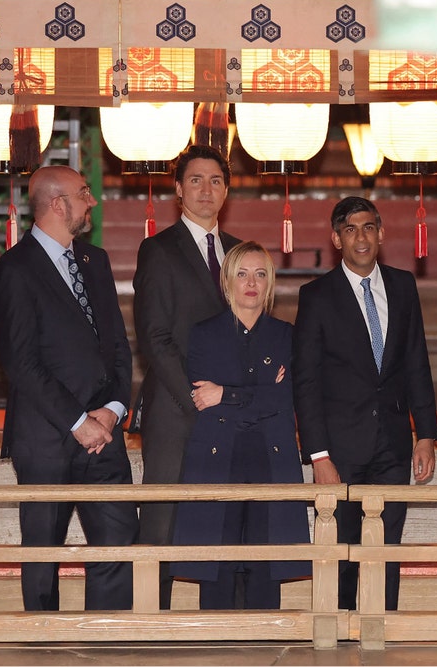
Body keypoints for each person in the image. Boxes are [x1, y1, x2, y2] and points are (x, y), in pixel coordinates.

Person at [0, 165, 138, 611]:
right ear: (58, 204)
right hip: (48, 437)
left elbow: (117, 346)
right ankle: (43, 645)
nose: (91, 201)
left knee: (118, 542)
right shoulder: (13, 270)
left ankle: (106, 641)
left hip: (104, 435)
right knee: (43, 552)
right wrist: (77, 422)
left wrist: (111, 409)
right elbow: (21, 363)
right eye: (84, 193)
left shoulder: (96, 260)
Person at [292, 196, 437, 611]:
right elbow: (306, 381)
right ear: (337, 239)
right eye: (351, 229)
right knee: (342, 553)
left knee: (385, 550)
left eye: (369, 227)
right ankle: (336, 634)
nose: (362, 237)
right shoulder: (317, 295)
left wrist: (426, 434)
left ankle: (381, 630)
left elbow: (416, 362)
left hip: (392, 445)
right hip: (340, 447)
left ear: (382, 233)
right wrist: (318, 454)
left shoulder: (403, 284)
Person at [170, 241, 308, 609]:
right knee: (216, 561)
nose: (251, 283)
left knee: (267, 562)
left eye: (260, 274)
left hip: (270, 458)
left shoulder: (286, 335)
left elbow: (286, 399)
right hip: (218, 456)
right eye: (242, 274)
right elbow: (203, 399)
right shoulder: (202, 334)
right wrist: (261, 392)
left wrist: (227, 395)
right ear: (227, 281)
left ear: (270, 283)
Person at [133, 144, 241, 608]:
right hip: (177, 409)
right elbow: (155, 337)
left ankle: (226, 621)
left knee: (228, 517)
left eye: (215, 181)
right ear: (178, 191)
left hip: (232, 411)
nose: (206, 190)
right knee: (163, 521)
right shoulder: (158, 250)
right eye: (195, 180)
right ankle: (149, 624)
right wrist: (196, 398)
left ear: (226, 191)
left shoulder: (240, 252)